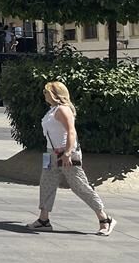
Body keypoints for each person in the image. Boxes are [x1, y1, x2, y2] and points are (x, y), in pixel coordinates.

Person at [28, 81, 115, 236]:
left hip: (65, 153)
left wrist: (68, 153)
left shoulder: (63, 109)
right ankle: (43, 220)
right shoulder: (52, 110)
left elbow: (71, 132)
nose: (44, 94)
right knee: (46, 184)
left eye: (46, 91)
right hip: (51, 153)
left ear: (55, 94)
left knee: (79, 186)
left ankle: (105, 219)